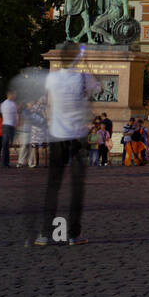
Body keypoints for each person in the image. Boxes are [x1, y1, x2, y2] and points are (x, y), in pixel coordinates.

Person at [34, 44, 93, 246]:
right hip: (76, 137)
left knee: (53, 186)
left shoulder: (52, 78)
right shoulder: (83, 77)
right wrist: (86, 65)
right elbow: (97, 88)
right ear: (78, 57)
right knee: (77, 188)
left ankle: (44, 233)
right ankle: (73, 234)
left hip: (57, 135)